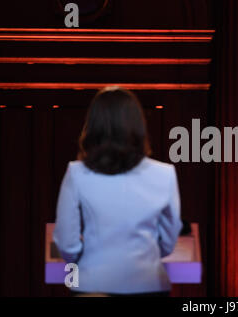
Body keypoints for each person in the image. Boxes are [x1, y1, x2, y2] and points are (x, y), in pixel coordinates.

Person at [53, 86, 182, 296]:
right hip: (148, 285)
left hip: (92, 285)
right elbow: (168, 241)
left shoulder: (76, 173)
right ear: (139, 125)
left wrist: (81, 259)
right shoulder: (165, 174)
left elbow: (67, 243)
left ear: (92, 126)